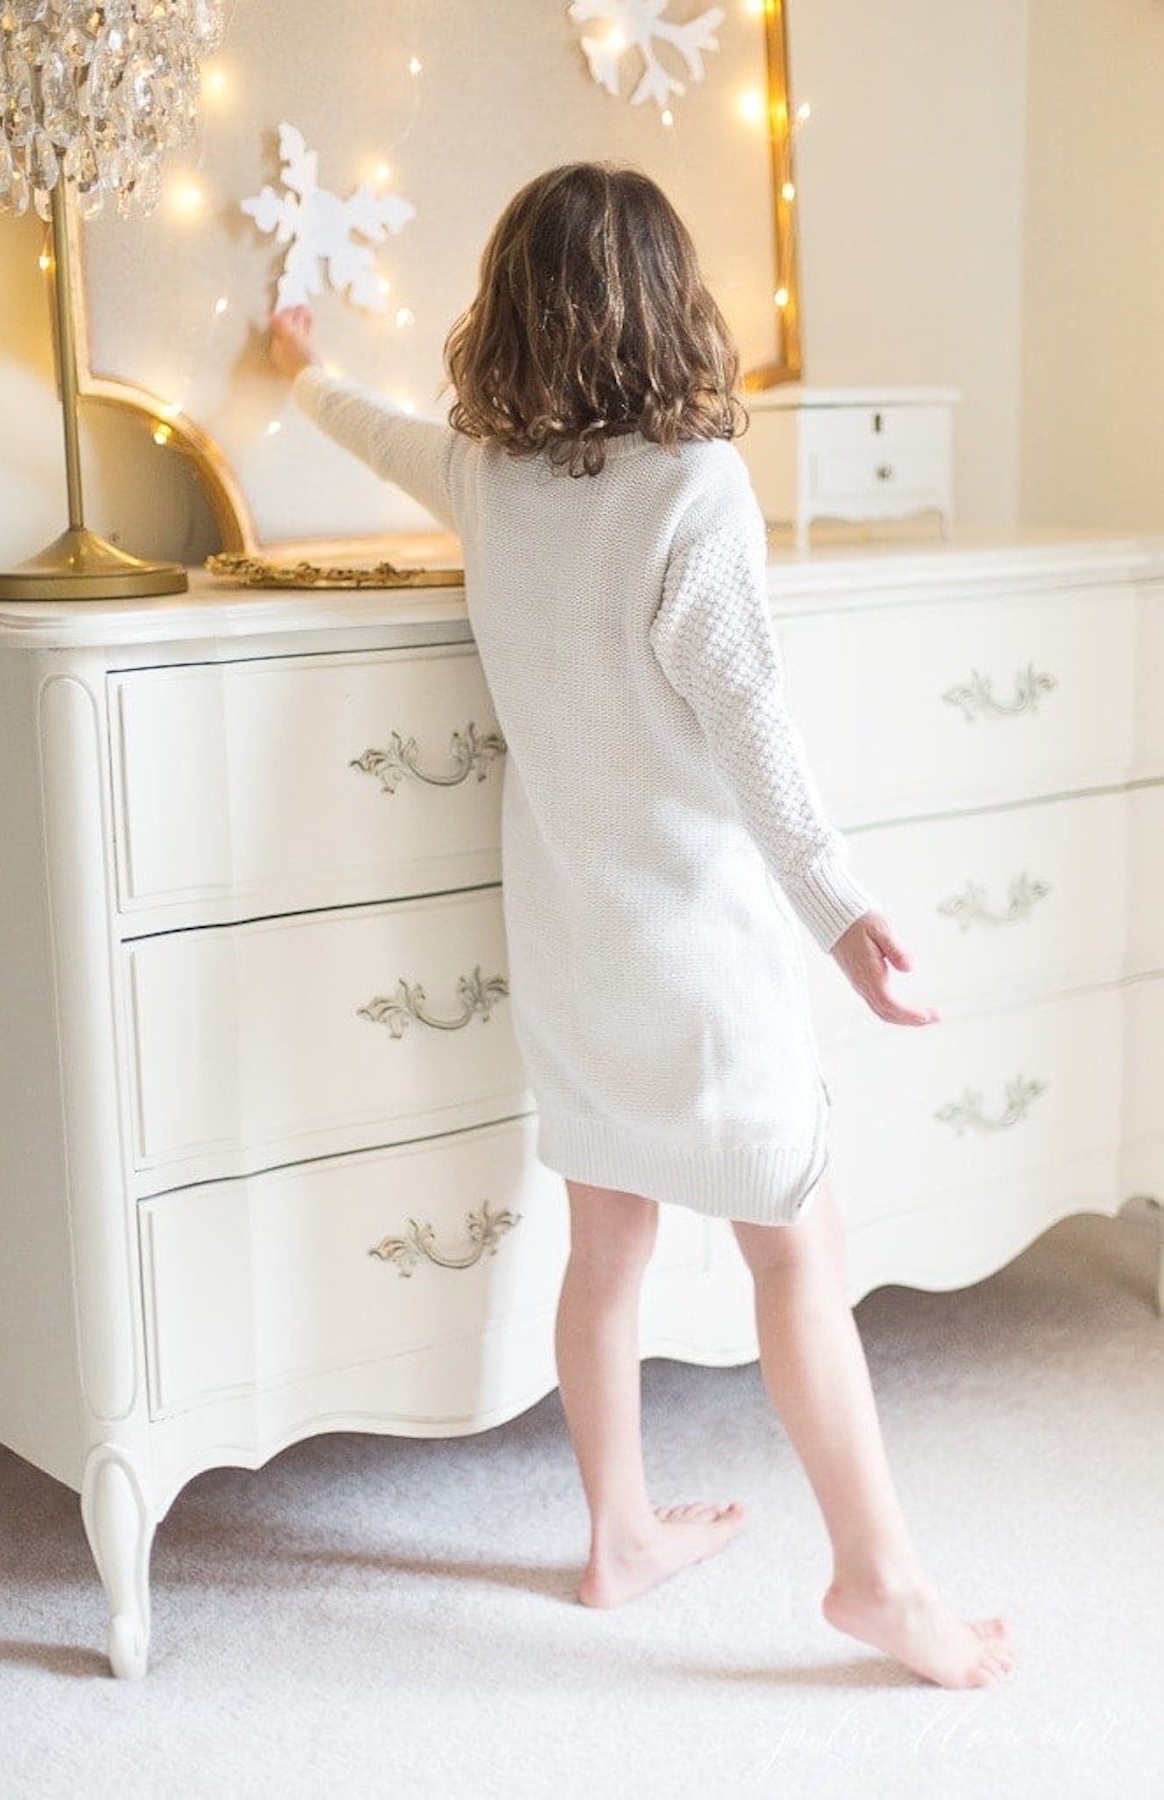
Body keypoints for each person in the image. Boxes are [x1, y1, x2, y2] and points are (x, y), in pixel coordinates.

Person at [268, 161, 1013, 1689]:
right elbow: (760, 743)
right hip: (697, 961)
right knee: (799, 1247)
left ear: (514, 315)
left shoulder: (489, 475)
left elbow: (389, 436)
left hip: (570, 949)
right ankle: (879, 1580)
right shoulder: (695, 492)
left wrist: (303, 372)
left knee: (606, 1252)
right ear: (670, 310)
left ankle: (617, 1536)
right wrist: (847, 915)